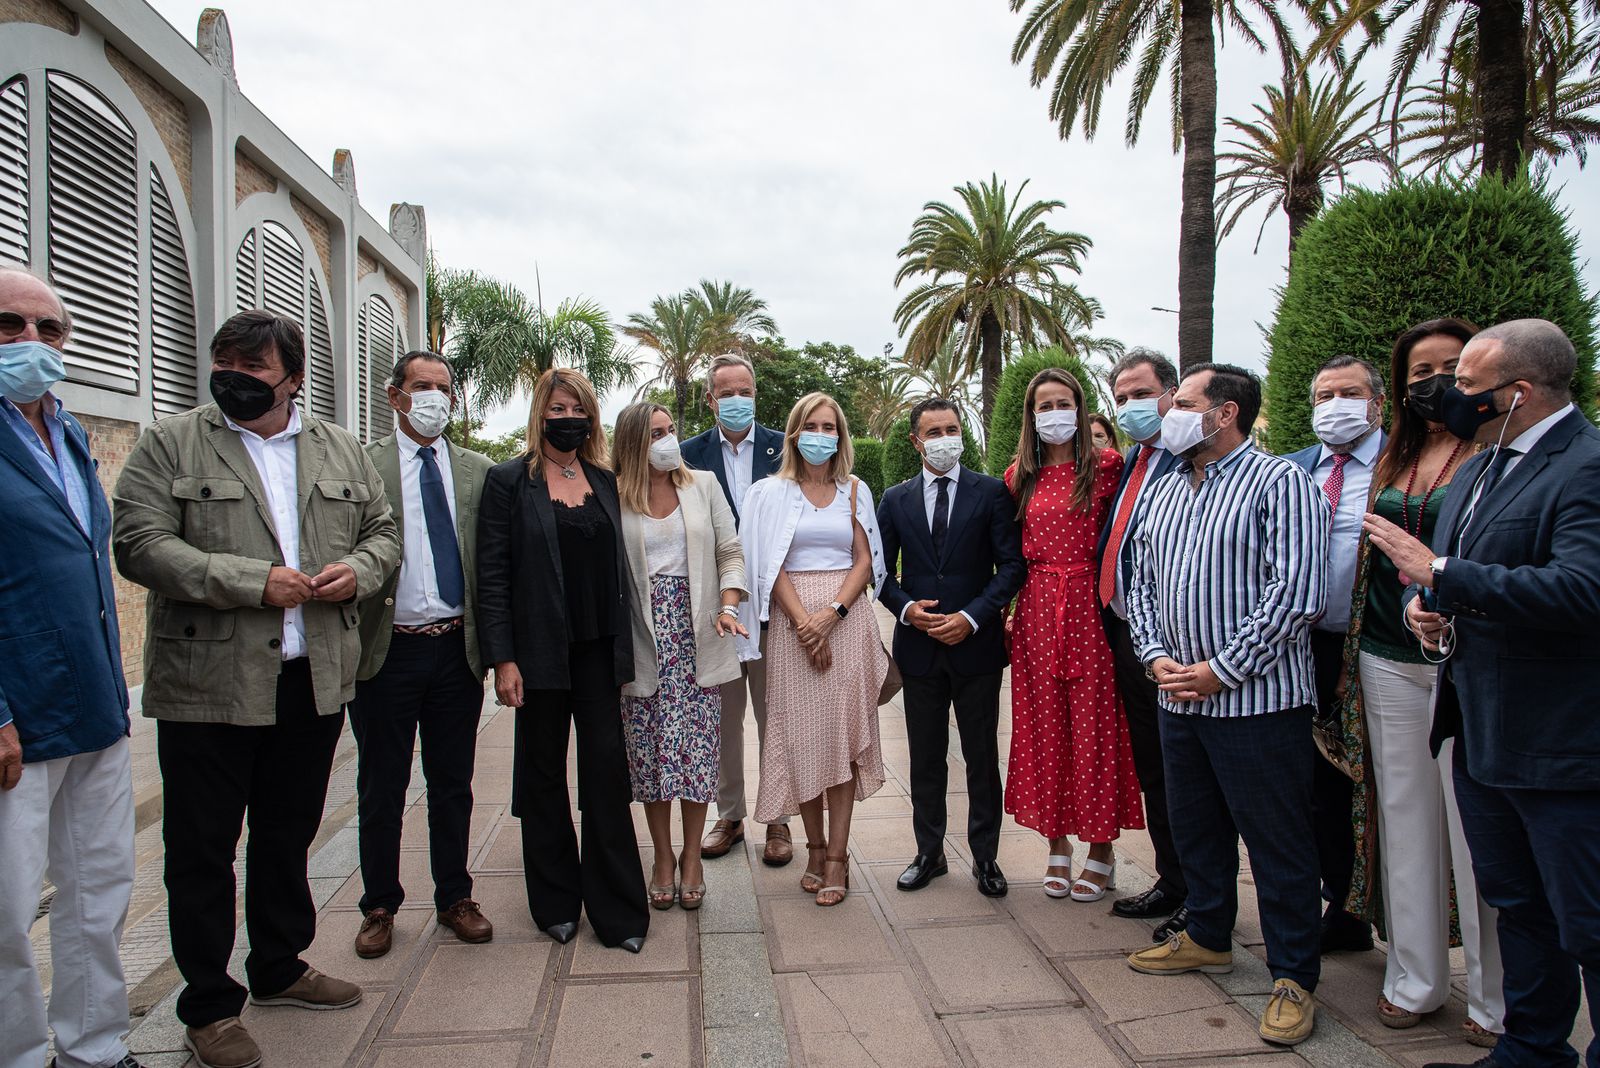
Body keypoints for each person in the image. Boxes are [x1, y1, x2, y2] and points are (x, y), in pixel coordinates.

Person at [113, 310, 401, 1068]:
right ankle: (208, 1004)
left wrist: (360, 572)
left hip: (309, 679)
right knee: (203, 847)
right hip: (209, 684)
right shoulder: (170, 443)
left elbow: (383, 533)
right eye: (224, 365)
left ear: (293, 378)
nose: (234, 380)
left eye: (254, 369)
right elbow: (140, 545)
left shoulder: (338, 447)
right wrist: (249, 582)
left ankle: (278, 965)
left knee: (286, 833)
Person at [1364, 320, 1600, 1068]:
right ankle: (1531, 1050)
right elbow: (1455, 579)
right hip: (1479, 729)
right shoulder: (1479, 468)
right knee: (1518, 903)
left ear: (1517, 392)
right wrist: (1426, 615)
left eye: (1467, 384)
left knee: (1587, 919)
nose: (1450, 397)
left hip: (1562, 739)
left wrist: (1441, 577)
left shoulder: (1586, 466)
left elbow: (1583, 589)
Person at [1123, 364, 1327, 1047]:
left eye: (1180, 402)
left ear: (1224, 413)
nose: (1165, 411)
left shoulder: (1280, 483)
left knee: (1278, 845)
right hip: (1179, 702)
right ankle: (1207, 933)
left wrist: (1223, 670)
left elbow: (1296, 593)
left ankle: (1295, 975)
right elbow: (1140, 584)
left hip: (1258, 707)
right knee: (1196, 829)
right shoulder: (1164, 490)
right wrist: (1154, 656)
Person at [1332, 320, 1504, 1042]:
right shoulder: (1397, 455)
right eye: (1419, 372)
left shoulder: (1497, 457)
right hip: (1385, 654)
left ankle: (1499, 998)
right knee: (1402, 816)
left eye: (1450, 369)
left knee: (1478, 829)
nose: (1435, 384)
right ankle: (1415, 975)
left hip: (1465, 657)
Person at [0, 266, 142, 1068]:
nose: (30, 343)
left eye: (47, 330)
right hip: (19, 713)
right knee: (8, 909)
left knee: (98, 894)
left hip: (94, 702)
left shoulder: (70, 431)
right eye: (9, 326)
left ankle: (95, 1046)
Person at [476, 369, 648, 953]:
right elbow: (493, 577)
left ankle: (619, 911)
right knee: (543, 775)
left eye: (577, 407)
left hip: (600, 652)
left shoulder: (604, 479)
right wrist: (503, 659)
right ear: (539, 415)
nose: (566, 416)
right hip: (539, 654)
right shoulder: (508, 482)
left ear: (591, 417)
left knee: (605, 773)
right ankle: (554, 904)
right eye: (556, 408)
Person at [349, 351, 495, 959]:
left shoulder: (478, 471)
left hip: (454, 650)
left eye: (443, 388)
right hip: (388, 651)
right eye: (420, 387)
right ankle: (379, 905)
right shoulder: (362, 465)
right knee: (381, 785)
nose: (433, 397)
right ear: (395, 396)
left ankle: (454, 896)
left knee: (452, 784)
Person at [736, 392, 889, 907]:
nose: (821, 434)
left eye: (830, 426)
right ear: (794, 433)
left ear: (840, 436)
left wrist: (831, 616)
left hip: (847, 623)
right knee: (801, 739)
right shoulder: (768, 493)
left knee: (843, 742)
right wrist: (805, 623)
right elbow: (766, 562)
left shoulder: (855, 490)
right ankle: (814, 848)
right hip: (790, 622)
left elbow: (865, 560)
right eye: (811, 425)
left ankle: (839, 858)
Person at [1003, 368, 1142, 903]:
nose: (1054, 413)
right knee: (1045, 726)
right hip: (1039, 609)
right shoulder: (1021, 477)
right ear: (1031, 416)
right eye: (1044, 405)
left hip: (1090, 604)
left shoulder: (1108, 468)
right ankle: (1055, 841)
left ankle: (1101, 848)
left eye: (1065, 402)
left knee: (1097, 725)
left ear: (1081, 411)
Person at [876, 397, 1025, 897]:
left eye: (952, 429)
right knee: (926, 755)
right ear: (917, 441)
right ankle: (929, 852)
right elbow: (880, 572)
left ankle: (987, 858)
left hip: (975, 649)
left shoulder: (991, 494)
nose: (945, 439)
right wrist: (905, 608)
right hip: (919, 650)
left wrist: (972, 617)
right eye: (934, 432)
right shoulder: (894, 499)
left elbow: (1011, 567)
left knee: (982, 756)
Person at [613, 402, 747, 911]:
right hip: (644, 639)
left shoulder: (703, 484)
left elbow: (729, 551)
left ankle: (691, 856)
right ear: (632, 443)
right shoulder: (615, 493)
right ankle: (662, 856)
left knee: (694, 757)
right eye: (655, 434)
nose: (668, 440)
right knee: (649, 757)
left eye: (671, 431)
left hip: (700, 633)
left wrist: (730, 602)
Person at [1284, 355, 1386, 955]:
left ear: (1376, 403)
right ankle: (1341, 904)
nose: (1335, 405)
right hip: (1305, 647)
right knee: (1317, 782)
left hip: (1377, 647)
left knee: (1378, 784)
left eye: (1349, 393)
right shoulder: (1293, 469)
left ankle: (1397, 913)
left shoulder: (1400, 467)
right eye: (1324, 395)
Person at [681, 353, 791, 866]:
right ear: (711, 399)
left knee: (775, 716)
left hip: (774, 608)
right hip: (718, 611)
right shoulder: (686, 456)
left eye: (745, 391)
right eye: (727, 393)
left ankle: (779, 818)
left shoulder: (783, 448)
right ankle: (729, 815)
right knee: (725, 719)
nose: (738, 400)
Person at [1095, 349, 1189, 939]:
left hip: (1180, 640)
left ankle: (1203, 896)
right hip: (1129, 633)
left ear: (1172, 393)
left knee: (1188, 771)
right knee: (1155, 765)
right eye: (1121, 397)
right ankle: (1174, 880)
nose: (1130, 406)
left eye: (1141, 393)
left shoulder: (1188, 460)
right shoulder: (1131, 462)